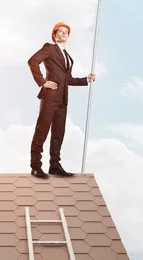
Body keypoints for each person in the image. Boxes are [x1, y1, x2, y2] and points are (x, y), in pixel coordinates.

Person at [27, 22, 96, 178]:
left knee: (59, 133)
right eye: (60, 31)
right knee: (42, 130)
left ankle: (55, 166)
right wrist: (43, 82)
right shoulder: (49, 48)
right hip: (50, 97)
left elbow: (67, 79)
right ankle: (36, 166)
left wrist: (86, 79)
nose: (63, 33)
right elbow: (32, 61)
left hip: (63, 100)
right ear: (55, 35)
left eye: (66, 32)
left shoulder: (67, 57)